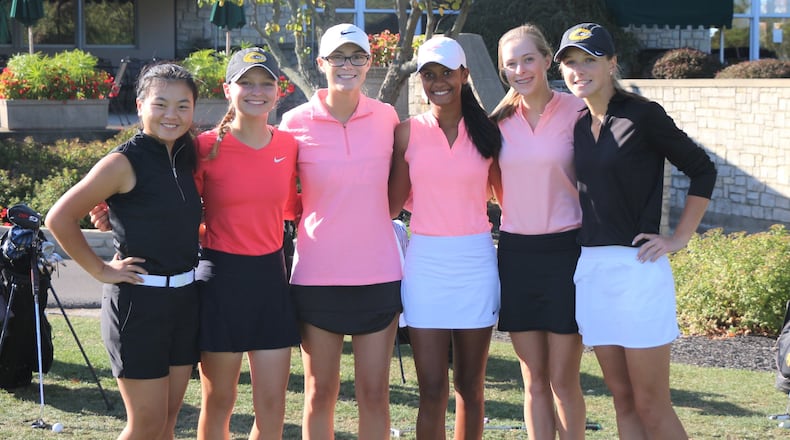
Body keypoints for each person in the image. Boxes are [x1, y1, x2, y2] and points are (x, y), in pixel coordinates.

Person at [555, 22, 717, 439]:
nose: (578, 71)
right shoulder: (575, 125)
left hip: (637, 271)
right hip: (592, 271)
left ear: (611, 63)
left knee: (651, 403)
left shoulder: (643, 115)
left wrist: (679, 237)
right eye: (570, 63)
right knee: (622, 399)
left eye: (588, 60)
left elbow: (702, 170)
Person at [45, 63, 202, 440]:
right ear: (140, 105)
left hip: (185, 302)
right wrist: (101, 270)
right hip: (137, 306)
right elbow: (59, 217)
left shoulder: (186, 153)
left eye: (183, 105)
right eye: (161, 103)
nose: (171, 114)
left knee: (166, 423)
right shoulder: (123, 162)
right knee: (145, 425)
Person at [277, 23, 402, 439]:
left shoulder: (387, 117)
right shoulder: (293, 121)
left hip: (379, 274)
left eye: (357, 57)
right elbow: (281, 195)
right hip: (316, 277)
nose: (347, 65)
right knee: (319, 393)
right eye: (338, 57)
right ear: (321, 63)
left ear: (369, 63)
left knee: (374, 393)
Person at [388, 36, 501, 439]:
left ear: (464, 75)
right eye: (429, 74)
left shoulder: (488, 132)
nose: (439, 82)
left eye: (447, 73)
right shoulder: (406, 133)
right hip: (426, 265)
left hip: (475, 262)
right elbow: (390, 205)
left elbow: (508, 199)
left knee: (470, 387)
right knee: (431, 389)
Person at [193, 47, 301, 440]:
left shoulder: (289, 147)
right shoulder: (204, 147)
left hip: (271, 280)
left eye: (265, 83)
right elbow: (172, 204)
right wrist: (106, 211)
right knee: (219, 401)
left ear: (279, 90)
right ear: (227, 89)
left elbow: (296, 207)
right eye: (246, 83)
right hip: (221, 279)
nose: (256, 92)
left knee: (271, 407)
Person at [488, 24, 586, 439]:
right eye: (511, 63)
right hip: (516, 255)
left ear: (548, 60)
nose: (521, 69)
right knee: (532, 381)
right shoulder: (497, 124)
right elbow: (489, 185)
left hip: (567, 253)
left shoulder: (579, 111)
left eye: (529, 59)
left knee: (563, 380)